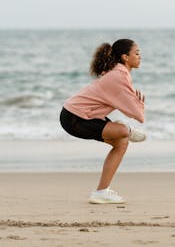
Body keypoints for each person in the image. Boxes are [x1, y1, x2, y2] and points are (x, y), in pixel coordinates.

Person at [59, 38, 147, 204]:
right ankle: (127, 129)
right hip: (75, 117)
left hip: (81, 115)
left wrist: (136, 105)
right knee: (122, 132)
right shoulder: (119, 76)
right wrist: (140, 104)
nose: (140, 56)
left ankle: (102, 191)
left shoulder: (119, 73)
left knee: (121, 143)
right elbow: (138, 114)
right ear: (125, 57)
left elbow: (128, 106)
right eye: (137, 53)